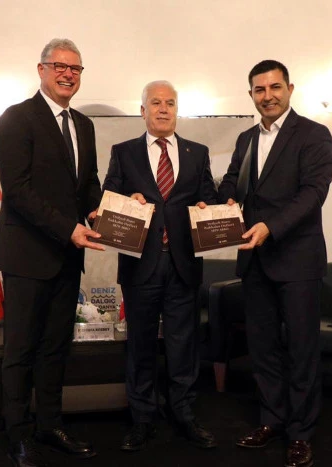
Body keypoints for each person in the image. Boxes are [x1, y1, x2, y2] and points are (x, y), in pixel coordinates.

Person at [0, 38, 103, 467]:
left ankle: (50, 425)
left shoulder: (84, 125)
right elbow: (17, 191)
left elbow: (87, 183)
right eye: (60, 66)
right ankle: (18, 434)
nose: (68, 74)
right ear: (41, 70)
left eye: (76, 68)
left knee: (56, 347)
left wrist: (100, 210)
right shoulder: (17, 117)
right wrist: (69, 228)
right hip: (26, 255)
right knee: (20, 350)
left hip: (67, 257)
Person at [218, 60, 332, 467]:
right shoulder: (246, 138)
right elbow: (232, 181)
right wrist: (223, 200)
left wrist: (271, 226)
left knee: (302, 350)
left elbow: (313, 193)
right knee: (262, 348)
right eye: (259, 89)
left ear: (290, 89)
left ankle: (300, 433)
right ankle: (272, 420)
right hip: (255, 261)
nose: (267, 96)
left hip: (298, 259)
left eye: (275, 87)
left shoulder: (314, 134)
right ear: (251, 94)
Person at [102, 80, 219, 451]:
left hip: (184, 264)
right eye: (156, 102)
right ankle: (142, 418)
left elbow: (209, 198)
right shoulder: (124, 152)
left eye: (170, 102)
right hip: (141, 264)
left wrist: (208, 207)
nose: (164, 109)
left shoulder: (198, 153)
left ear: (177, 109)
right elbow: (107, 197)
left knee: (184, 345)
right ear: (143, 111)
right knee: (140, 345)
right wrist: (128, 198)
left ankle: (184, 413)